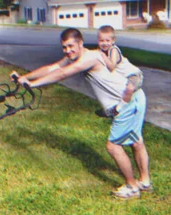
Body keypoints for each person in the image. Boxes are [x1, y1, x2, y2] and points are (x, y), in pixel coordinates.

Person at [11, 28, 152, 199]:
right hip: (135, 98)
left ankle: (132, 187)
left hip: (128, 102)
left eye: (71, 46)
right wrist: (25, 78)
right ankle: (144, 182)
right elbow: (53, 67)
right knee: (136, 142)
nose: (68, 50)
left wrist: (33, 85)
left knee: (113, 146)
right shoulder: (78, 56)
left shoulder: (90, 57)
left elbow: (63, 73)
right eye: (64, 47)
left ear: (80, 43)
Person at [97, 25, 144, 115]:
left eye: (107, 40)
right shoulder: (101, 51)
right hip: (123, 77)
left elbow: (111, 67)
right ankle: (110, 108)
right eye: (101, 40)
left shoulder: (113, 50)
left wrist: (102, 55)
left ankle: (118, 110)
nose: (104, 43)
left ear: (113, 40)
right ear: (98, 40)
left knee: (129, 89)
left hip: (134, 75)